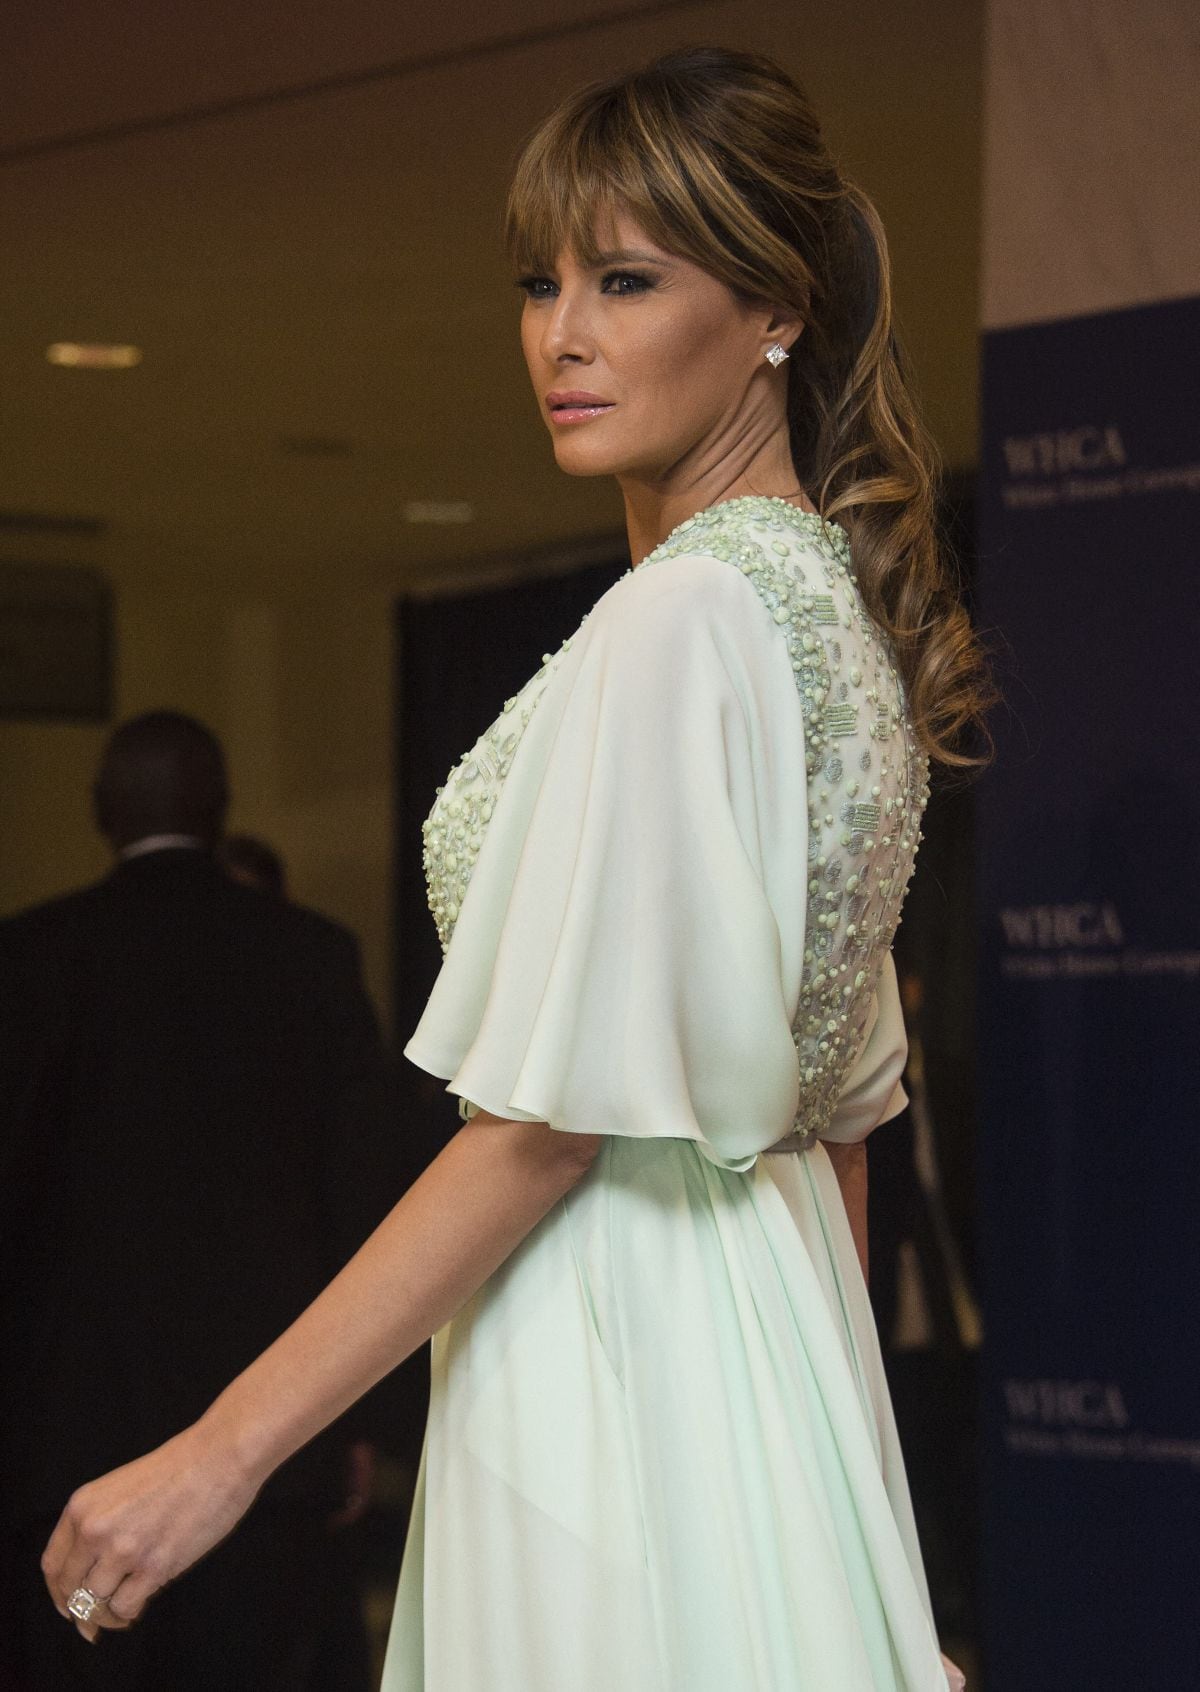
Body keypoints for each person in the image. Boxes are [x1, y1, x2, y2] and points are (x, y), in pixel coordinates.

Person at [39, 50, 989, 1690]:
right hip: (757, 1381)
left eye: (626, 280)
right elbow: (842, 1136)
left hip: (604, 1366)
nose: (563, 334)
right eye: (541, 282)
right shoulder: (833, 615)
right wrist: (834, 1523)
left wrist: (218, 1452)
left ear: (779, 308)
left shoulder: (684, 620)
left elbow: (543, 1134)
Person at [1, 711, 395, 1690]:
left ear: (99, 812)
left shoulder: (31, 957)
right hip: (271, 1410)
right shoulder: (310, 955)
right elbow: (364, 1192)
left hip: (68, 1413)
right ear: (220, 812)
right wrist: (358, 1419)